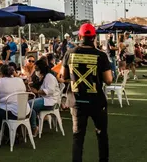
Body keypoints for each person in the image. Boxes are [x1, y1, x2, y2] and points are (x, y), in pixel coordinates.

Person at [60, 23, 112, 162]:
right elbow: (109, 80)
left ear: (79, 36)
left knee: (78, 137)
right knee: (101, 135)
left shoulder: (69, 53)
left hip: (77, 102)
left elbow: (63, 76)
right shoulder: (100, 55)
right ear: (94, 37)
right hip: (97, 102)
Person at [0, 64, 29, 131]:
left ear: (0, 73)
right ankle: (15, 131)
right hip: (25, 111)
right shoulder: (19, 80)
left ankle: (7, 133)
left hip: (11, 112)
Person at [29, 59, 60, 136]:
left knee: (28, 105)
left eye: (36, 69)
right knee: (28, 106)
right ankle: (32, 126)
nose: (35, 71)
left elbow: (50, 91)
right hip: (46, 99)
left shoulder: (49, 77)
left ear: (40, 69)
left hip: (50, 101)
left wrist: (37, 92)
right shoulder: (44, 76)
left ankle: (34, 127)